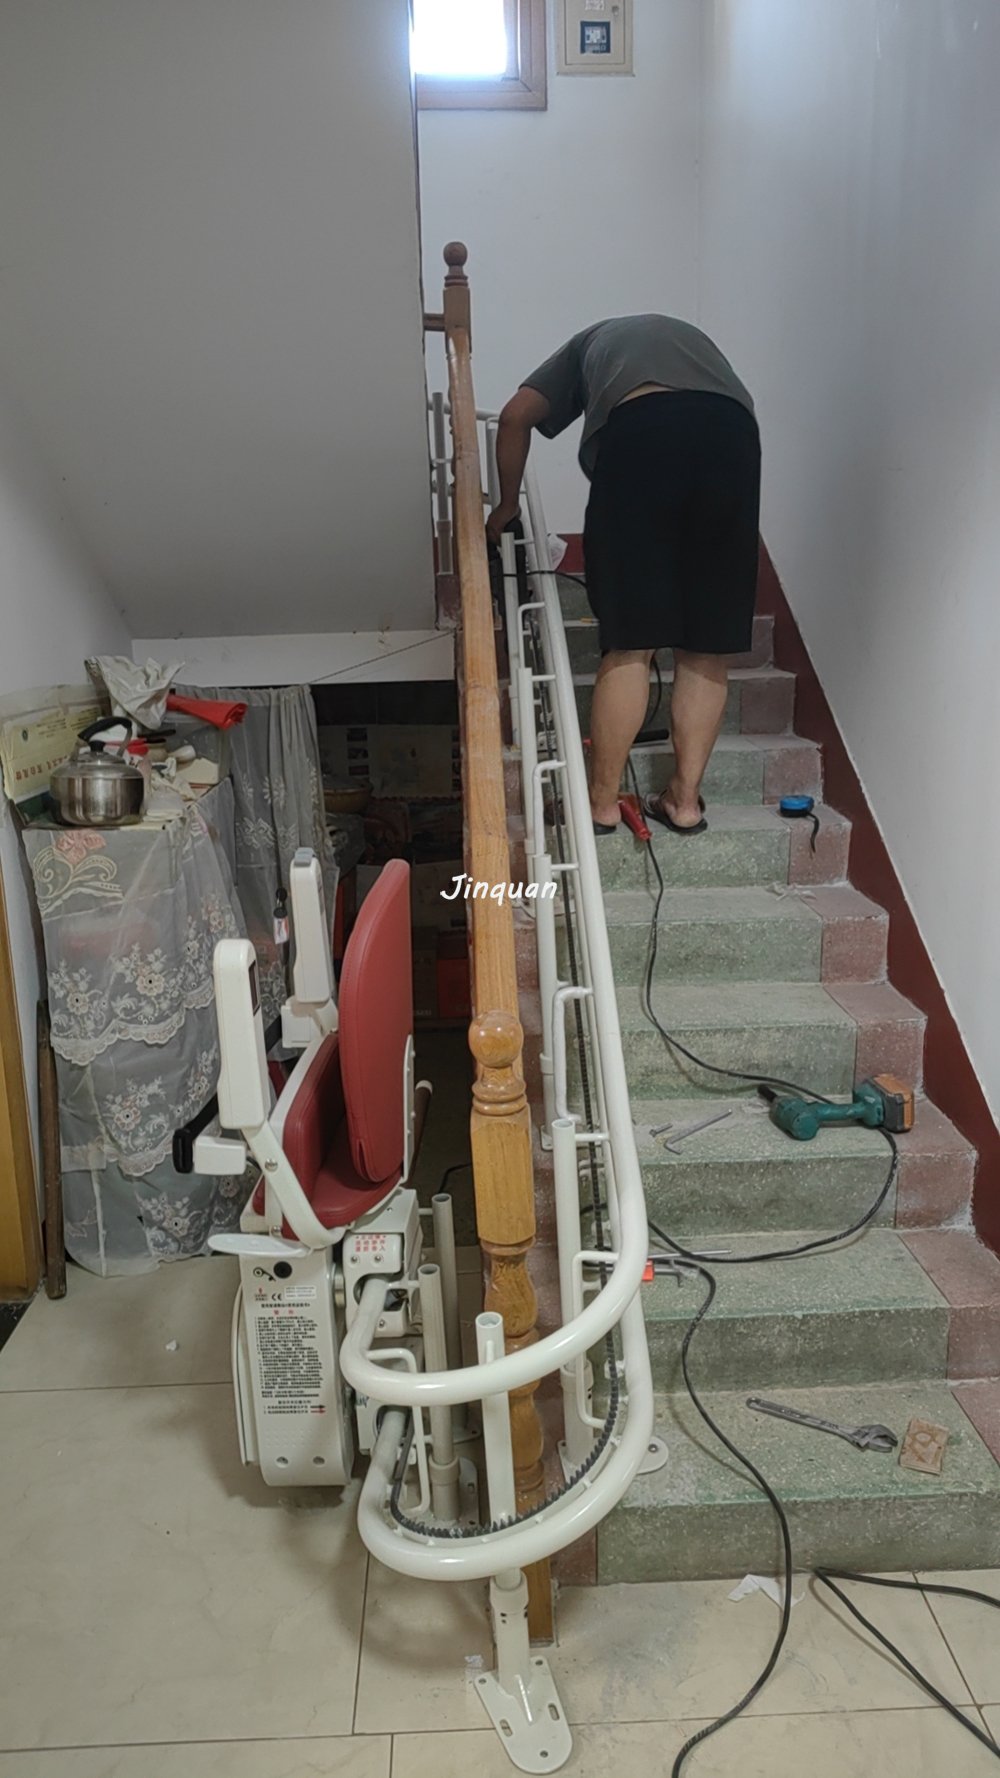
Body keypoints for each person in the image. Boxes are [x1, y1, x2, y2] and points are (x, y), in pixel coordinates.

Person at [486, 314, 760, 835]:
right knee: (706, 645)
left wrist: (505, 506)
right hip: (733, 435)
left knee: (633, 641)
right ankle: (684, 803)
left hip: (643, 431)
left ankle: (601, 805)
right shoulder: (692, 342)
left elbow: (515, 416)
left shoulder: (587, 343)